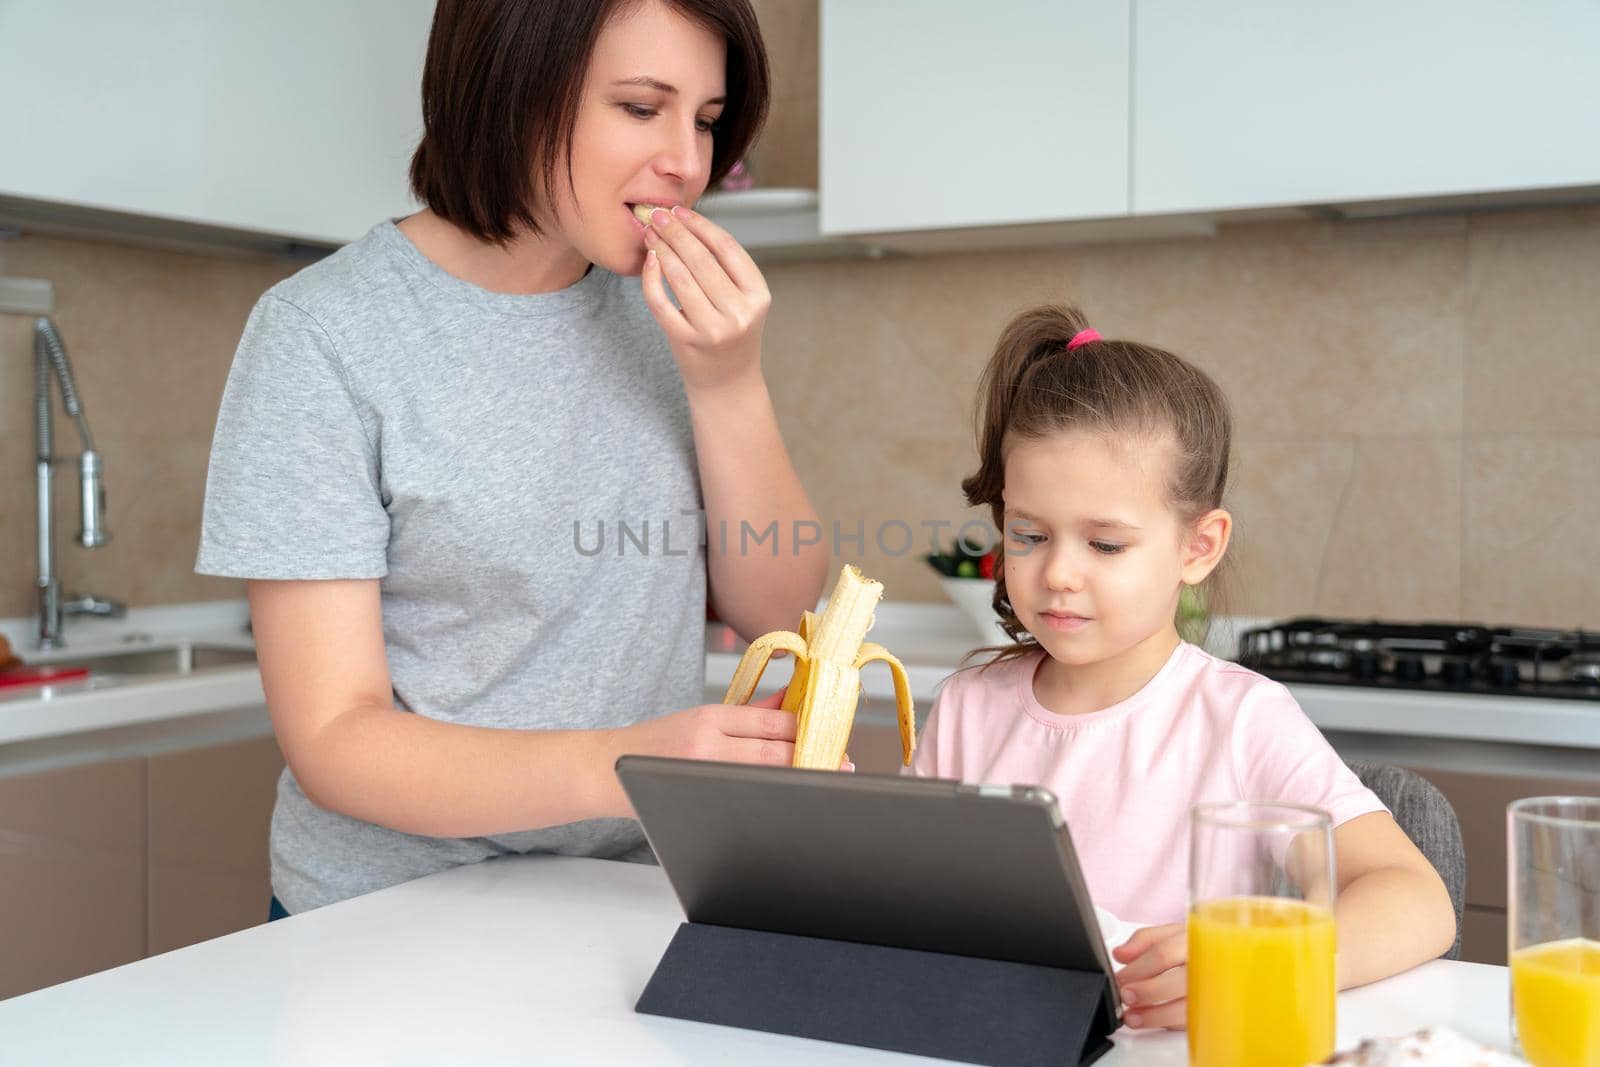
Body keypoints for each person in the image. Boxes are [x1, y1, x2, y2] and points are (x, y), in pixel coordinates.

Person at [197, 0, 829, 917]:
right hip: (383, 919)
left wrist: (729, 384)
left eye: (704, 119)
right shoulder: (321, 335)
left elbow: (780, 610)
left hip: (623, 901)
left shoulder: (669, 321)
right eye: (642, 108)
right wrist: (625, 765)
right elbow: (335, 738)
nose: (688, 164)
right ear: (513, 88)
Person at [908, 305, 1456, 1029]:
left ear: (1198, 547)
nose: (1058, 573)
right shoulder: (969, 708)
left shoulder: (1238, 719)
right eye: (1029, 534)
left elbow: (1417, 900)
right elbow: (918, 908)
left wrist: (1259, 961)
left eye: (1105, 545)